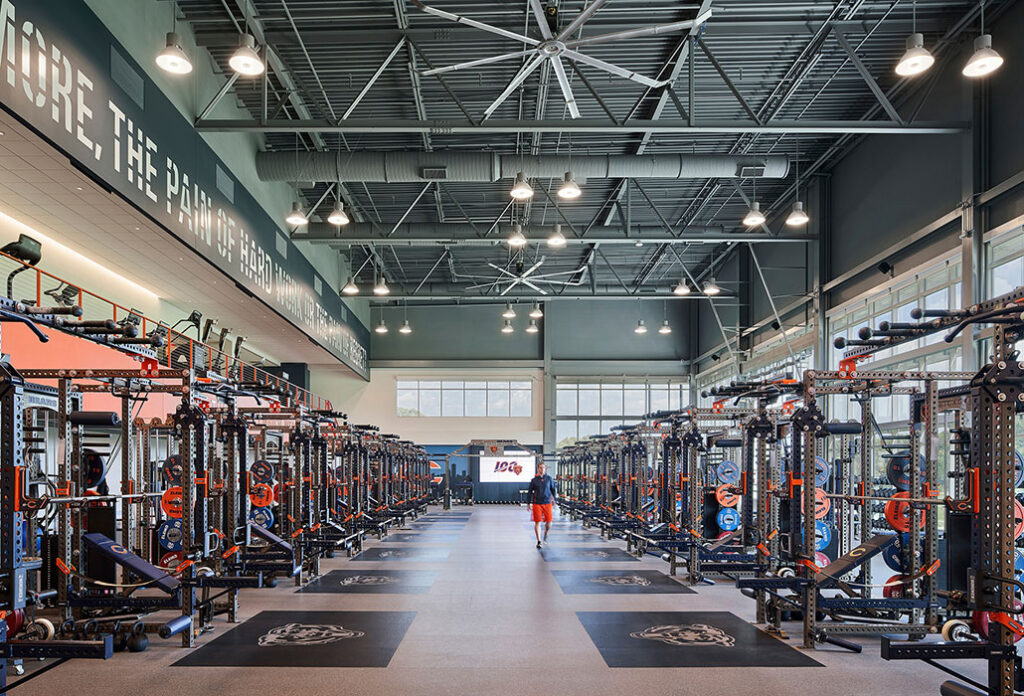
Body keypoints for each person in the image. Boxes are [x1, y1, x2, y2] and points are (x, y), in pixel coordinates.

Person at [527, 463, 557, 548]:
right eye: (540, 468)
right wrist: (528, 503)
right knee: (538, 522)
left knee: (549, 523)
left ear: (545, 469)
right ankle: (539, 541)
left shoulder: (549, 479)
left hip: (547, 503)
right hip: (537, 503)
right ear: (538, 469)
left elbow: (553, 490)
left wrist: (554, 499)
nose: (542, 469)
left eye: (543, 468)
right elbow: (529, 492)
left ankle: (546, 534)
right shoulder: (534, 480)